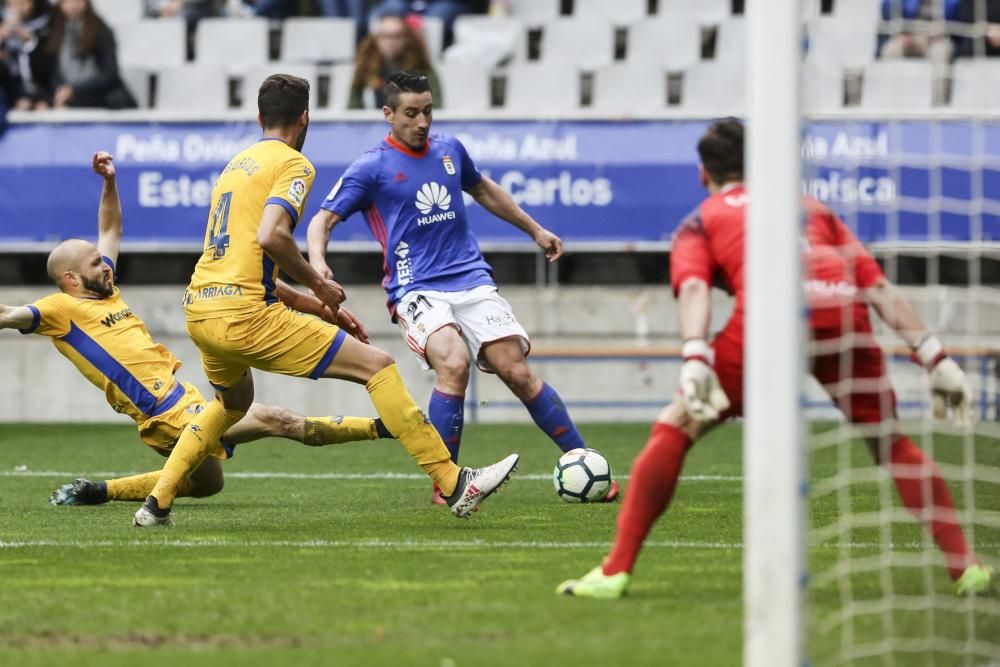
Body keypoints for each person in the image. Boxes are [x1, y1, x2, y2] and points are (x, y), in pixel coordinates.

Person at [557, 118, 994, 599]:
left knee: (676, 427)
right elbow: (878, 287)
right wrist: (937, 358)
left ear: (704, 173)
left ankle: (615, 571)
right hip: (841, 315)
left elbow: (698, 288)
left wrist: (695, 358)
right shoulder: (810, 208)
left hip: (768, 321)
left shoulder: (701, 220)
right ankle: (966, 568)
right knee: (892, 444)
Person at [135, 72, 518, 527]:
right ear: (305, 118)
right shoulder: (295, 165)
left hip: (201, 308)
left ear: (260, 117)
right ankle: (454, 483)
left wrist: (319, 307)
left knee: (231, 405)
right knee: (377, 366)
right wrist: (319, 283)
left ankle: (156, 503)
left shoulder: (235, 168)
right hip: (244, 314)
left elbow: (249, 264)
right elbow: (273, 236)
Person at [0, 151, 395, 509]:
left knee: (208, 485)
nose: (104, 264)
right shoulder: (58, 311)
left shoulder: (106, 292)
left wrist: (109, 182)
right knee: (277, 420)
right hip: (167, 414)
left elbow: (111, 231)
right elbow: (8, 314)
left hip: (182, 402)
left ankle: (98, 491)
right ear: (70, 279)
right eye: (93, 265)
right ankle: (385, 427)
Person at [307, 71, 618, 505]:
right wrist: (319, 264)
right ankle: (448, 484)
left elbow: (484, 189)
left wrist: (535, 229)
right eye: (411, 113)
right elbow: (322, 219)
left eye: (428, 111)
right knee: (454, 362)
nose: (422, 122)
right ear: (388, 114)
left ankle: (586, 461)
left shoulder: (450, 150)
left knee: (516, 371)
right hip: (417, 288)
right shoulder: (371, 167)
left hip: (470, 279)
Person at [42, 0, 135, 109]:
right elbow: (48, 72)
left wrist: (74, 90)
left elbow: (110, 73)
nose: (73, 5)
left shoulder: (101, 30)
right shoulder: (50, 31)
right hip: (65, 97)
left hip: (100, 97)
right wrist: (61, 91)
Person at [348, 14, 441, 110]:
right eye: (385, 36)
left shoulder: (423, 69)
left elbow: (436, 109)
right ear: (375, 39)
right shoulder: (364, 68)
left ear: (407, 39)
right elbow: (352, 108)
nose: (390, 42)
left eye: (396, 36)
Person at [0, 0, 51, 111]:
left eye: (22, 3)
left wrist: (29, 42)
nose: (17, 8)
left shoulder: (47, 25)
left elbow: (47, 69)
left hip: (38, 88)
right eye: (12, 4)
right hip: (8, 91)